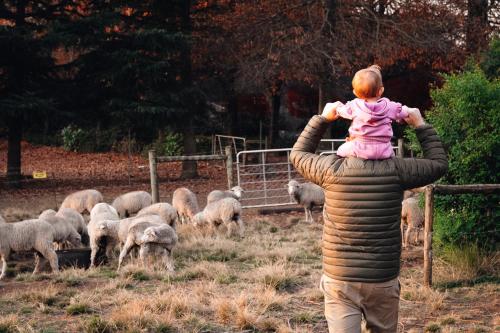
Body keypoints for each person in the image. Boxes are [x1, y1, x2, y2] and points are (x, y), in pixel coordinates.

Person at [290, 105, 448, 332]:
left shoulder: (329, 168)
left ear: (348, 140)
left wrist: (323, 119)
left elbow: (297, 155)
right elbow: (438, 164)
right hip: (382, 278)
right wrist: (420, 125)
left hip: (340, 277)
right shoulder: (397, 169)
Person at [325, 65, 418, 159]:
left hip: (359, 148)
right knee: (393, 156)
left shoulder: (354, 106)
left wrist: (337, 108)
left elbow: (340, 110)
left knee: (341, 150)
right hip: (384, 150)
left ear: (355, 93)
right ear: (381, 90)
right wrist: (407, 112)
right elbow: (405, 112)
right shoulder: (390, 106)